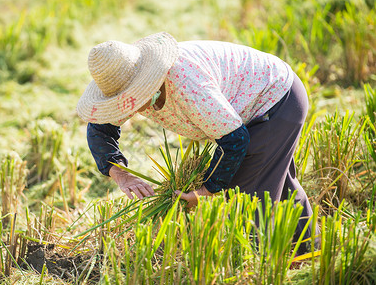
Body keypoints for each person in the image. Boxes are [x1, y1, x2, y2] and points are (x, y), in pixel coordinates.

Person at [76, 32, 318, 253]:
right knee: (278, 183)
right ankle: (310, 252)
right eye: (119, 101)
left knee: (247, 196)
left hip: (275, 100)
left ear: (146, 82)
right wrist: (121, 174)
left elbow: (234, 141)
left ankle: (256, 266)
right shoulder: (125, 82)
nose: (125, 107)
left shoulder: (187, 85)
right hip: (247, 112)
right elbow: (100, 130)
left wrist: (208, 190)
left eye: (129, 98)